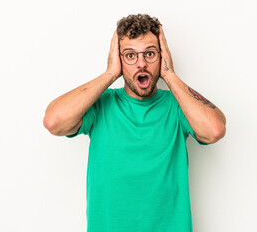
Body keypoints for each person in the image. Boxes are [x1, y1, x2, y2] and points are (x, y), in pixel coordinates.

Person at [43, 14, 226, 232]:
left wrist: (169, 74)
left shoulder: (177, 106)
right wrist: (110, 73)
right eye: (130, 55)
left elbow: (214, 130)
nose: (141, 63)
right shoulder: (101, 104)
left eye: (150, 53)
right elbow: (54, 122)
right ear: (118, 59)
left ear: (162, 56)